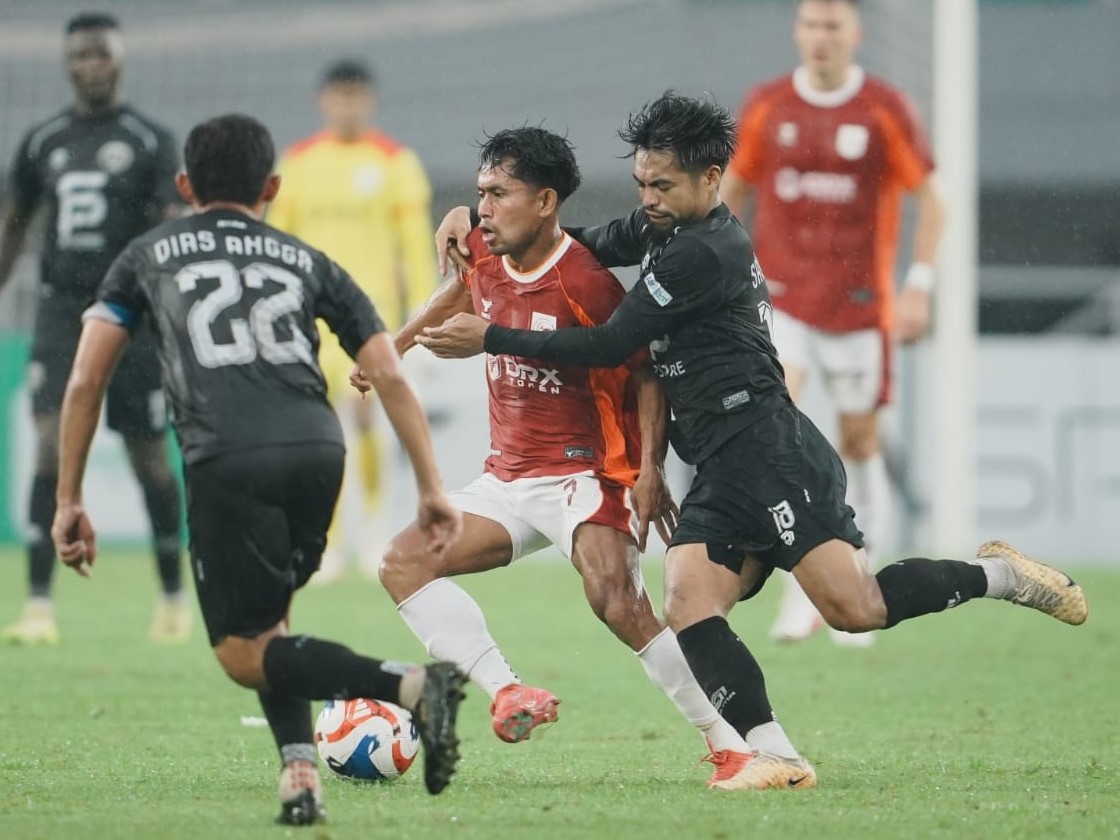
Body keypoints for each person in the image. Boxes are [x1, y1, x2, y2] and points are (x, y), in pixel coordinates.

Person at [419, 91, 1088, 791]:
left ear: (711, 179)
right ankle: (777, 755)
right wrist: (482, 219)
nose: (647, 198)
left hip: (768, 450)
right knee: (688, 600)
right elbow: (569, 240)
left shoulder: (705, 252)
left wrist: (489, 335)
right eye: (643, 182)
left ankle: (1004, 577)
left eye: (663, 185)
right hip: (716, 459)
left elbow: (615, 341)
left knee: (855, 608)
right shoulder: (662, 228)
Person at [50, 113, 466, 824]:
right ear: (272, 186)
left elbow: (87, 380)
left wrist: (68, 496)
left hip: (228, 457)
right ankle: (300, 777)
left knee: (245, 655)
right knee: (273, 628)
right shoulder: (310, 259)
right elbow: (390, 375)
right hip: (317, 450)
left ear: (183, 185)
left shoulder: (147, 254)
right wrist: (429, 486)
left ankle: (414, 685)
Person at [356, 127, 750, 757]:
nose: (483, 208)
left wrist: (651, 469)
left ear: (544, 202)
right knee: (401, 561)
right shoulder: (485, 250)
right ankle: (507, 691)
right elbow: (459, 288)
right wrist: (391, 349)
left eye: (499, 194)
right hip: (507, 479)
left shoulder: (586, 283)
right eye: (480, 193)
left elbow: (645, 373)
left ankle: (728, 739)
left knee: (617, 603)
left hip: (586, 474)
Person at [718, 0, 947, 646]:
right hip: (783, 300)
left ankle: (859, 584)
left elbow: (933, 202)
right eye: (811, 25)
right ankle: (800, 593)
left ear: (854, 35)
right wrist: (726, 271)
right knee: (779, 425)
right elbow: (731, 190)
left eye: (832, 26)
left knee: (859, 441)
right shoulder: (769, 105)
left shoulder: (883, 107)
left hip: (857, 304)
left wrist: (919, 286)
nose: (821, 37)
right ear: (798, 32)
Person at [0, 12, 189, 645]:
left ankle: (170, 598)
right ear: (68, 62)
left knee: (147, 458)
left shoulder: (150, 139)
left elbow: (170, 228)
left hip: (131, 312)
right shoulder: (41, 140)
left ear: (121, 59)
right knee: (50, 447)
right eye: (81, 56)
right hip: (59, 312)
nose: (92, 65)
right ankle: (37, 606)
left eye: (102, 54)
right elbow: (15, 227)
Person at [268, 59, 439, 582]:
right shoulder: (297, 162)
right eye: (339, 96)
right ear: (324, 101)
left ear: (370, 101)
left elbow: (414, 247)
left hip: (372, 313)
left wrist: (424, 310)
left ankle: (373, 530)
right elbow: (279, 242)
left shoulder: (395, 163)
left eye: (356, 96)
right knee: (318, 427)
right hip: (307, 315)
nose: (347, 106)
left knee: (366, 419)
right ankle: (327, 540)